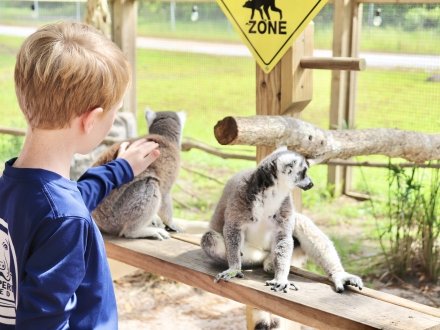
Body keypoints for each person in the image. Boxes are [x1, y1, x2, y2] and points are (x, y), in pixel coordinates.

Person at [0, 21, 160, 329]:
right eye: (115, 112)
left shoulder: (13, 188)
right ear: (92, 119)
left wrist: (121, 169)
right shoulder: (66, 220)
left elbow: (65, 197)